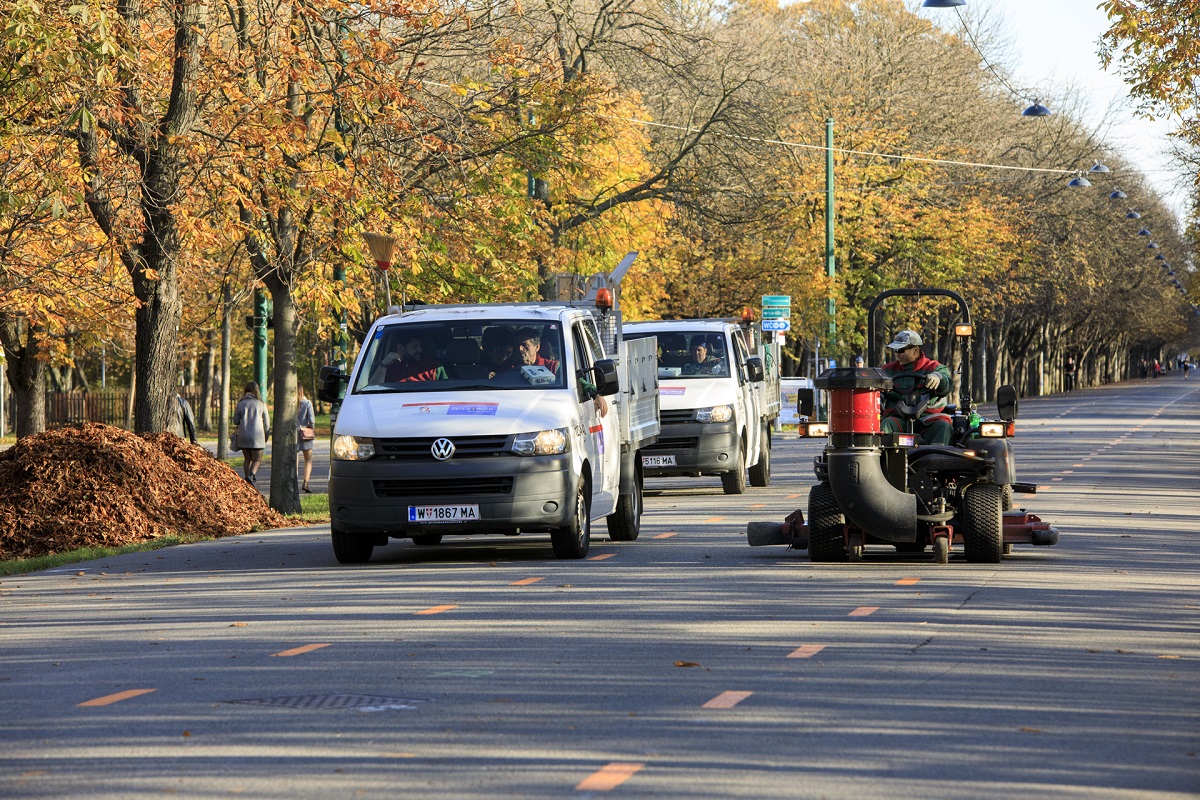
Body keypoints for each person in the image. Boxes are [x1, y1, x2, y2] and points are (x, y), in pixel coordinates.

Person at [879, 330, 953, 446]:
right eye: (895, 350)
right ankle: (885, 461)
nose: (897, 354)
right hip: (899, 418)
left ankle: (936, 460)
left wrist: (938, 378)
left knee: (943, 426)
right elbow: (876, 388)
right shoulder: (887, 370)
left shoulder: (933, 367)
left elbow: (946, 383)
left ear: (915, 350)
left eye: (901, 350)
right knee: (886, 424)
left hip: (928, 418)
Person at [370, 330, 447, 383]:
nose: (420, 350)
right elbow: (371, 393)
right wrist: (383, 365)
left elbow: (447, 393)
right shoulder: (389, 368)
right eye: (415, 347)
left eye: (421, 346)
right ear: (400, 348)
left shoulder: (434, 368)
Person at [233, 381, 271, 484]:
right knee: (257, 459)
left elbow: (235, 421)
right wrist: (266, 436)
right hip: (257, 436)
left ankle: (247, 479)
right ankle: (251, 475)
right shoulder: (261, 404)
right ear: (256, 391)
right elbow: (267, 423)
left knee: (247, 459)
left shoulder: (241, 403)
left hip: (243, 435)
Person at [297, 384, 316, 493]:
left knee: (295, 460)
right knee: (308, 459)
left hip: (294, 434)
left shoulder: (292, 404)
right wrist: (311, 429)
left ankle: (293, 481)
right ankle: (306, 482)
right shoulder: (307, 403)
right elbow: (312, 420)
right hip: (305, 434)